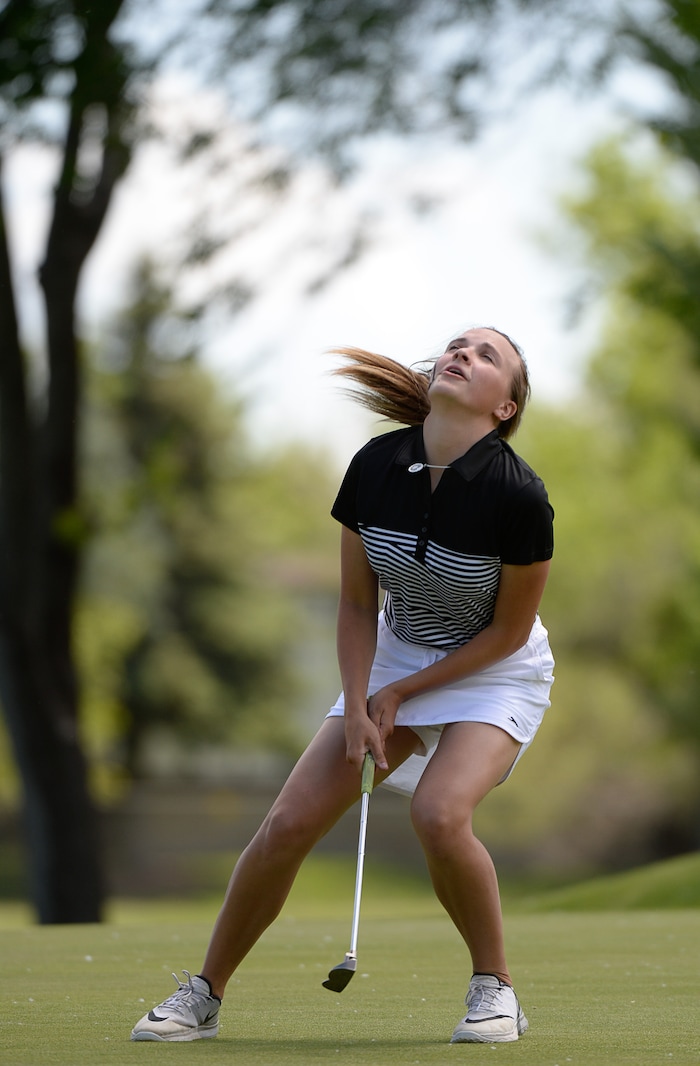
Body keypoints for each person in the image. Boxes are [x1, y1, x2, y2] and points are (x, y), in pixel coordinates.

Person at [130, 326, 554, 1045]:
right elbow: (357, 604)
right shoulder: (375, 466)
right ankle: (202, 995)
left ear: (504, 408)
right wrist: (361, 701)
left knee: (439, 812)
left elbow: (506, 635)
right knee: (289, 824)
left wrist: (400, 695)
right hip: (394, 652)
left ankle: (496, 992)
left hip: (493, 671)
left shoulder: (519, 497)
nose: (461, 355)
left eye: (486, 357)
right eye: (456, 346)